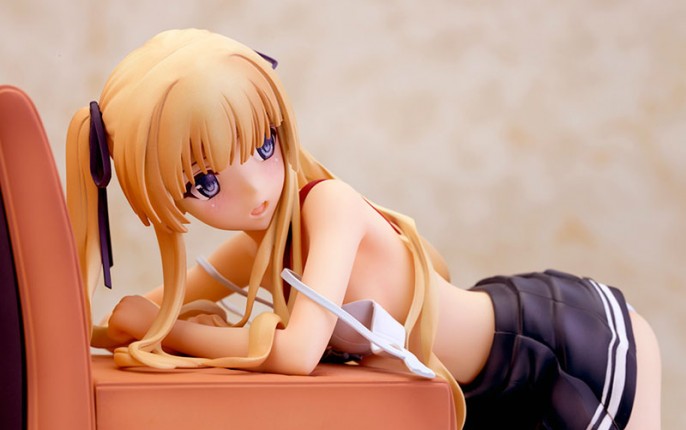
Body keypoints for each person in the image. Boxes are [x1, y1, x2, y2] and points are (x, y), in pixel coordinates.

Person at [66, 29, 661, 429]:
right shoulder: (260, 252)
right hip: (481, 390)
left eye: (264, 146)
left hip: (560, 348)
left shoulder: (331, 206)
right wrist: (118, 322)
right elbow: (142, 313)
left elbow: (297, 353)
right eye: (204, 182)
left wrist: (171, 334)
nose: (254, 190)